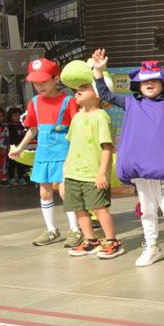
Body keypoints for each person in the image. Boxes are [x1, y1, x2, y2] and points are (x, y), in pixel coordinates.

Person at [91, 49, 164, 268]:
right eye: (145, 80)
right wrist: (98, 71)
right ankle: (152, 246)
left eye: (154, 80)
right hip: (140, 171)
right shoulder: (130, 103)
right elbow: (105, 95)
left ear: (163, 85)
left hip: (163, 170)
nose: (150, 83)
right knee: (147, 210)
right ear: (138, 85)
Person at [9, 58, 82, 248]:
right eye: (35, 82)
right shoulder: (34, 102)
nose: (39, 86)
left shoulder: (69, 101)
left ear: (56, 78)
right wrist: (20, 148)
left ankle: (75, 229)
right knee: (44, 192)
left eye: (43, 81)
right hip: (43, 153)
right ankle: (51, 230)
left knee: (66, 192)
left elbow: (77, 128)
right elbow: (33, 128)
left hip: (65, 153)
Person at [59, 60, 124, 258]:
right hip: (73, 173)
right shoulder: (77, 117)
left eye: (84, 88)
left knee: (98, 208)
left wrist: (102, 173)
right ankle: (91, 240)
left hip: (93, 174)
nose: (77, 92)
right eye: (77, 89)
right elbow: (72, 147)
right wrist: (64, 176)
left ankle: (112, 241)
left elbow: (107, 147)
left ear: (98, 94)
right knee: (78, 208)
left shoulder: (101, 116)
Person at [5, 107, 29, 185]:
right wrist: (7, 147)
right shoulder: (8, 127)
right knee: (12, 163)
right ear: (10, 117)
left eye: (19, 115)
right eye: (15, 115)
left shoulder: (23, 126)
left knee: (21, 163)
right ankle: (11, 178)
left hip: (22, 148)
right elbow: (6, 138)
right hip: (12, 148)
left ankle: (21, 178)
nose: (18, 117)